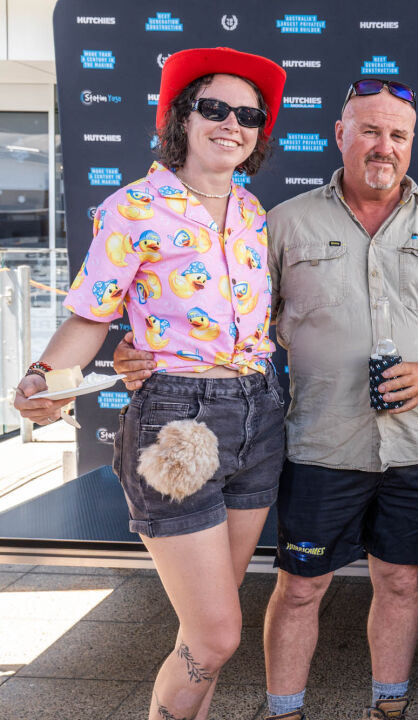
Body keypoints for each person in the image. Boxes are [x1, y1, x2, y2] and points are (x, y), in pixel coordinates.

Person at [115, 77, 418, 720]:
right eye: (370, 131)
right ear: (341, 135)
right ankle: (284, 711)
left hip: (416, 447)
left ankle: (389, 708)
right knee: (299, 589)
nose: (384, 146)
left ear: (412, 144)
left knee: (399, 583)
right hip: (320, 444)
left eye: (397, 135)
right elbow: (221, 313)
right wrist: (147, 349)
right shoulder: (283, 223)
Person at [16, 47, 287, 720]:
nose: (231, 124)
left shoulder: (253, 212)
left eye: (248, 115)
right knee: (217, 635)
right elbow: (91, 315)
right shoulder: (134, 207)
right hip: (177, 418)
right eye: (214, 108)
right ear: (181, 117)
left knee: (205, 631)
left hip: (258, 411)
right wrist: (44, 376)